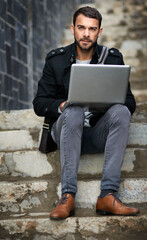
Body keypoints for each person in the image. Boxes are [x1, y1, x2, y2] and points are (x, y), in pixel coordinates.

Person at [33, 6, 140, 220]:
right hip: (66, 132)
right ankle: (67, 196)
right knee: (72, 112)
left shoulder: (112, 58)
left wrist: (108, 104)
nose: (86, 34)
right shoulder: (56, 60)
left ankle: (108, 195)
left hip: (98, 133)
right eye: (81, 27)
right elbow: (39, 103)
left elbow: (129, 101)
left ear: (99, 31)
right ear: (73, 28)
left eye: (92, 29)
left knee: (120, 111)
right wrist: (63, 105)